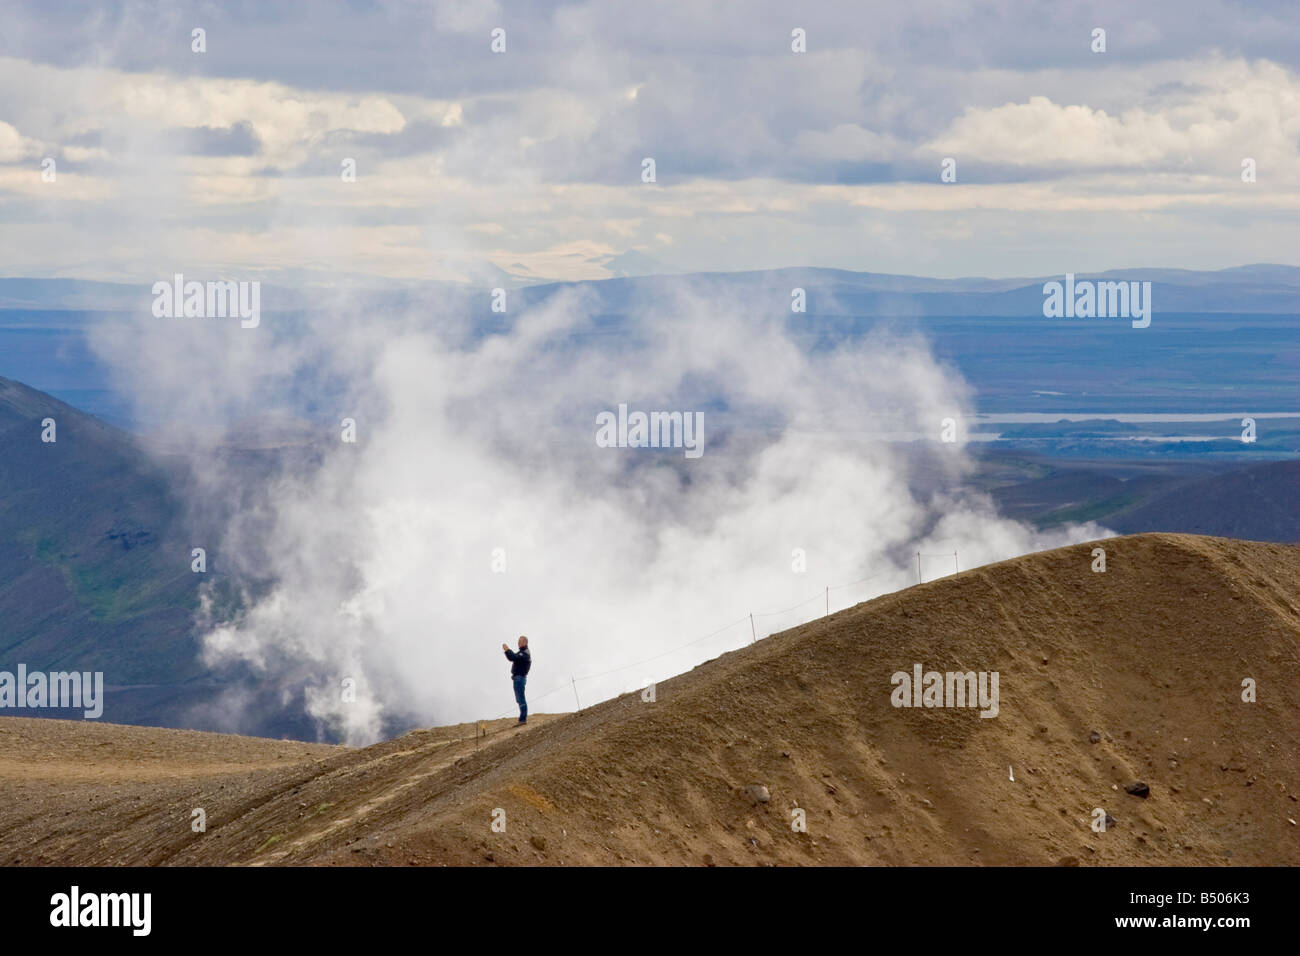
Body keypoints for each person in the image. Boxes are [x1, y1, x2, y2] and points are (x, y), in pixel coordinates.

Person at [502, 635, 531, 724]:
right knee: (519, 699)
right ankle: (522, 718)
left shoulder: (525, 653)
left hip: (519, 678)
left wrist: (507, 650)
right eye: (518, 641)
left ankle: (523, 719)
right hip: (518, 678)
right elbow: (514, 657)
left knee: (521, 699)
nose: (518, 643)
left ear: (525, 642)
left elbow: (513, 657)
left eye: (520, 641)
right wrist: (508, 651)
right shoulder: (522, 652)